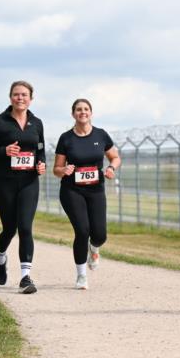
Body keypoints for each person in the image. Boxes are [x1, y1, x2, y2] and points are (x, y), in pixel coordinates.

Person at [0, 80, 47, 294]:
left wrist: (41, 163)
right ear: (10, 97)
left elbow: (41, 148)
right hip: (5, 181)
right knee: (10, 228)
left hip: (29, 181)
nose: (20, 98)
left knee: (25, 227)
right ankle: (1, 258)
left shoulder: (37, 123)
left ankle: (26, 278)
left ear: (31, 98)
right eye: (16, 94)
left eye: (24, 95)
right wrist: (4, 151)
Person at [53, 98, 122, 290]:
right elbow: (56, 169)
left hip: (96, 190)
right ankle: (81, 275)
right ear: (73, 114)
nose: (82, 112)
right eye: (78, 109)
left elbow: (115, 157)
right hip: (72, 190)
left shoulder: (100, 135)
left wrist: (111, 169)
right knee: (82, 231)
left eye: (86, 109)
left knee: (99, 234)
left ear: (91, 113)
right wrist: (64, 170)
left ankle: (95, 247)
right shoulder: (66, 138)